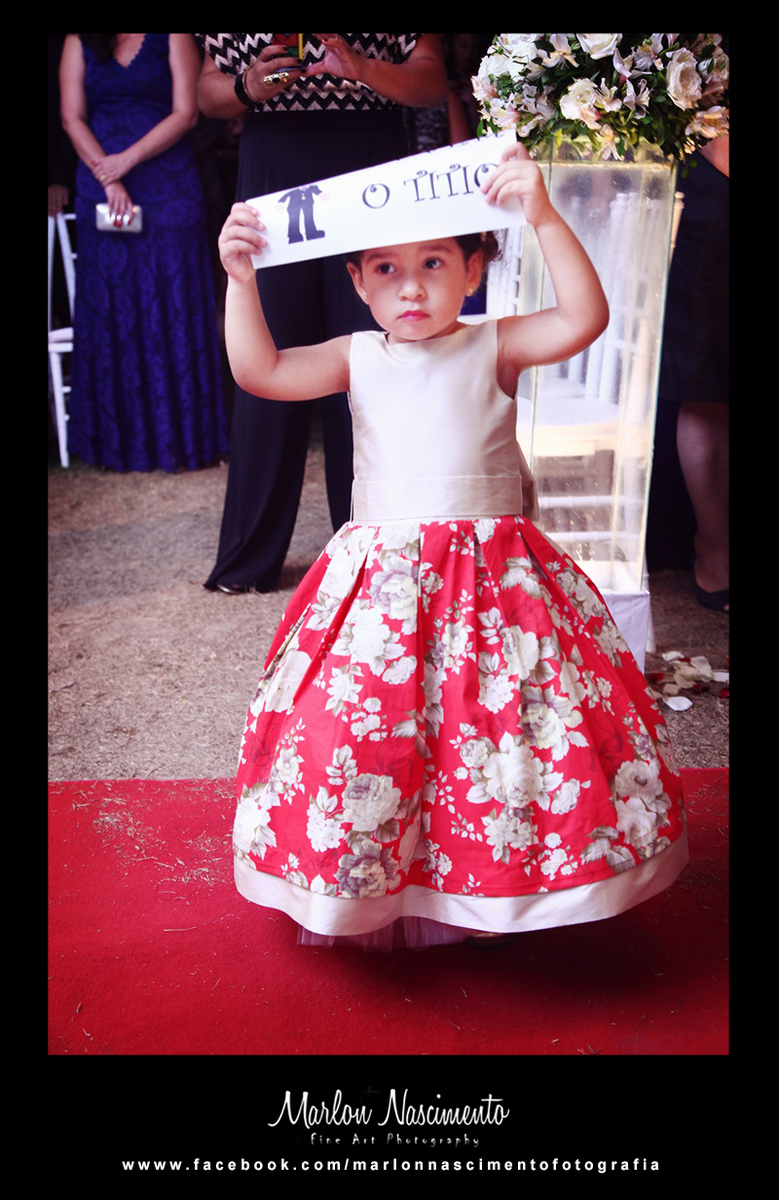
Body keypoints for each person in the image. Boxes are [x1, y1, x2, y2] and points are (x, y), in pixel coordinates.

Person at [221, 142, 688, 949]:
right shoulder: (354, 355)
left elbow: (584, 318)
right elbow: (259, 371)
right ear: (357, 281)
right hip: (384, 587)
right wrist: (240, 280)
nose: (410, 287)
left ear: (473, 270)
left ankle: (505, 878)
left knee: (502, 721)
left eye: (434, 263)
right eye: (386, 269)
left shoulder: (493, 343)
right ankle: (383, 876)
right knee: (380, 724)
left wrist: (542, 216)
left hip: (494, 582)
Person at [196, 34, 447, 594]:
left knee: (371, 347)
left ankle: (374, 543)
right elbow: (206, 95)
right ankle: (250, 556)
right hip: (273, 159)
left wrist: (361, 68)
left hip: (370, 160)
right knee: (270, 339)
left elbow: (431, 81)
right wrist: (249, 85)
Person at [59, 34, 229, 472]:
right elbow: (71, 116)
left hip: (166, 184)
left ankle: (183, 440)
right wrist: (108, 175)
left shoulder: (173, 35)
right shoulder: (79, 39)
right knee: (111, 308)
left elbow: (186, 113)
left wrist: (126, 161)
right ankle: (117, 446)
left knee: (173, 305)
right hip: (101, 184)